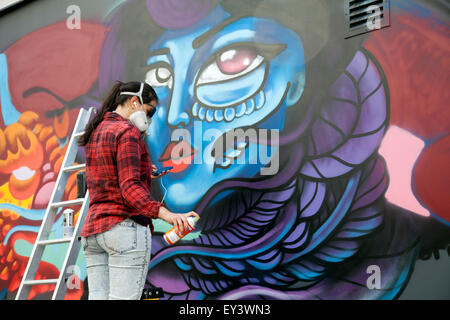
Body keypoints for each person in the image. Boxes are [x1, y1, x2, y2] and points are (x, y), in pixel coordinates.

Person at [78, 81, 199, 300]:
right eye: (149, 111)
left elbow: (108, 175)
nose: (149, 119)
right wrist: (168, 215)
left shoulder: (96, 131)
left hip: (94, 231)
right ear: (135, 102)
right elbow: (129, 188)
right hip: (123, 230)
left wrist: (143, 171)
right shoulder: (128, 131)